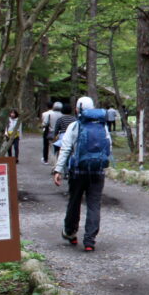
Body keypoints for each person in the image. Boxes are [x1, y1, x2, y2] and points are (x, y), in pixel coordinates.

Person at [52, 96, 111, 252]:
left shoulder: (74, 126)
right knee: (94, 204)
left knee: (75, 201)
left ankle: (70, 232)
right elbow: (108, 146)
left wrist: (58, 169)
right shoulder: (102, 126)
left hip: (77, 171)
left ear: (78, 109)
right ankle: (90, 241)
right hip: (97, 171)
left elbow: (65, 149)